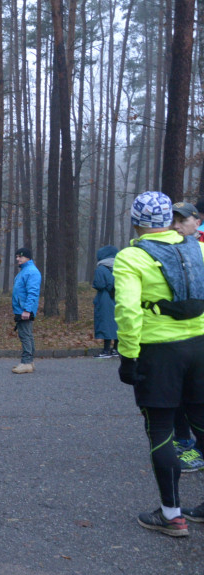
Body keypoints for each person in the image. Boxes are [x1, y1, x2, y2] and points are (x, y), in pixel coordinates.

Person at [113, 191, 204, 536]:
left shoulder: (131, 257)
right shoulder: (198, 248)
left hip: (160, 353)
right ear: (169, 219)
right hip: (200, 346)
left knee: (162, 430)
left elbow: (127, 311)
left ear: (136, 222)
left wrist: (128, 357)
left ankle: (171, 515)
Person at [164, 202, 204, 473]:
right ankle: (183, 442)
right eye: (173, 221)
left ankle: (197, 448)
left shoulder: (200, 249)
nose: (177, 226)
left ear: (196, 221)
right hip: (174, 338)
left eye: (183, 220)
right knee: (178, 395)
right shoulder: (166, 251)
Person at [11, 247, 42, 374]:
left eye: (21, 256)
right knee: (27, 335)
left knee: (25, 336)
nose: (18, 259)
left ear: (28, 257)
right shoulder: (24, 271)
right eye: (17, 256)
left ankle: (26, 362)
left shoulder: (31, 272)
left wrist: (27, 310)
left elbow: (32, 293)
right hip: (21, 308)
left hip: (24, 309)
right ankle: (29, 362)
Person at [92, 246, 119, 358]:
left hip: (104, 299)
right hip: (117, 298)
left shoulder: (100, 269)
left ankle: (105, 350)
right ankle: (116, 349)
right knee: (117, 324)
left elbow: (99, 284)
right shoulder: (119, 268)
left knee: (105, 323)